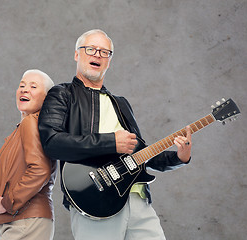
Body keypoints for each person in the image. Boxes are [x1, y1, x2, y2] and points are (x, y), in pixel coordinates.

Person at [38, 29, 192, 240]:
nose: (97, 55)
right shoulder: (62, 94)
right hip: (95, 199)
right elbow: (52, 142)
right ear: (77, 54)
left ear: (109, 61)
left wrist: (179, 157)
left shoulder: (121, 103)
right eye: (91, 49)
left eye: (104, 52)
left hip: (138, 200)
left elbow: (140, 153)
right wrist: (111, 142)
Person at [0, 69, 56, 240]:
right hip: (23, 220)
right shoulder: (27, 127)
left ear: (47, 98)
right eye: (22, 85)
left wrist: (7, 202)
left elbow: (40, 170)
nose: (25, 89)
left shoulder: (31, 123)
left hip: (25, 220)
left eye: (33, 86)